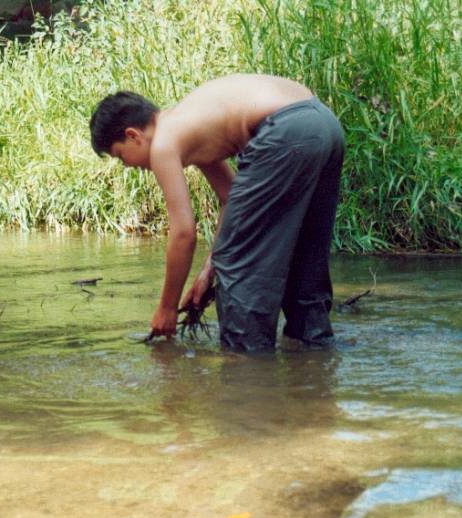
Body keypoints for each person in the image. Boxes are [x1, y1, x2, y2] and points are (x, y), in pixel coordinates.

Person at [89, 74, 344, 351]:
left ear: (133, 135)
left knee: (240, 268)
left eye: (120, 155)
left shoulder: (163, 145)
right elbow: (230, 198)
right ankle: (314, 354)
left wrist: (167, 309)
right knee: (303, 255)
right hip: (323, 123)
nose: (127, 165)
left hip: (286, 130)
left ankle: (246, 371)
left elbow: (184, 233)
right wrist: (208, 270)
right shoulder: (186, 124)